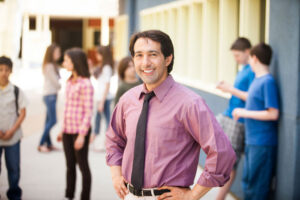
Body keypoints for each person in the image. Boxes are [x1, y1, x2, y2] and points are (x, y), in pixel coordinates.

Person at [106, 30, 236, 200]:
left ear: (168, 59)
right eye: (139, 55)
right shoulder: (128, 99)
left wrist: (192, 195)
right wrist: (116, 176)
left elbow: (222, 153)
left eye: (153, 55)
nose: (145, 63)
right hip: (129, 195)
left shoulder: (190, 103)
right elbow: (114, 139)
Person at [233, 43, 279, 200]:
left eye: (250, 58)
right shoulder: (257, 81)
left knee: (257, 188)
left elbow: (273, 113)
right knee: (247, 184)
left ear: (255, 59)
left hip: (263, 143)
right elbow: (252, 99)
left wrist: (243, 112)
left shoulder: (268, 81)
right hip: (252, 141)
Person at [216, 37, 255, 200]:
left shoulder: (253, 70)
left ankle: (219, 197)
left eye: (237, 55)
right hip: (227, 115)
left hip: (237, 121)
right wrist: (229, 88)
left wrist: (230, 89)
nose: (235, 59)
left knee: (230, 163)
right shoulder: (243, 68)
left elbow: (252, 98)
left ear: (248, 52)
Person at [57, 48, 94, 200]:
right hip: (67, 130)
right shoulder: (69, 81)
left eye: (66, 60)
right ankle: (69, 195)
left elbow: (88, 111)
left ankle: (85, 197)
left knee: (83, 166)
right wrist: (62, 129)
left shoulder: (86, 84)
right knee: (70, 166)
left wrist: (81, 135)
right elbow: (67, 108)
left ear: (75, 62)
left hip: (80, 132)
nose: (64, 63)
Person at [0, 56, 28, 200]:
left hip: (13, 138)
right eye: (0, 70)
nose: (3, 73)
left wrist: (11, 130)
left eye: (6, 70)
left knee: (14, 169)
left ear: (10, 71)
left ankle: (14, 195)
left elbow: (22, 113)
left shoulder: (16, 91)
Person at [38, 43, 61, 153]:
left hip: (51, 95)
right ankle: (41, 143)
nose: (59, 54)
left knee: (47, 121)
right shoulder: (49, 66)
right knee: (53, 120)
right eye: (57, 52)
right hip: (50, 95)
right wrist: (60, 85)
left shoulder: (52, 65)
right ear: (51, 53)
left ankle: (49, 143)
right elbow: (56, 83)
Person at [90, 46, 114, 144]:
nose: (96, 56)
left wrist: (102, 101)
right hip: (100, 97)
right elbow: (98, 79)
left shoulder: (107, 67)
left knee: (106, 120)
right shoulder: (103, 66)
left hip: (104, 98)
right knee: (98, 118)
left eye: (98, 54)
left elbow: (107, 85)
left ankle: (107, 140)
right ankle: (96, 137)